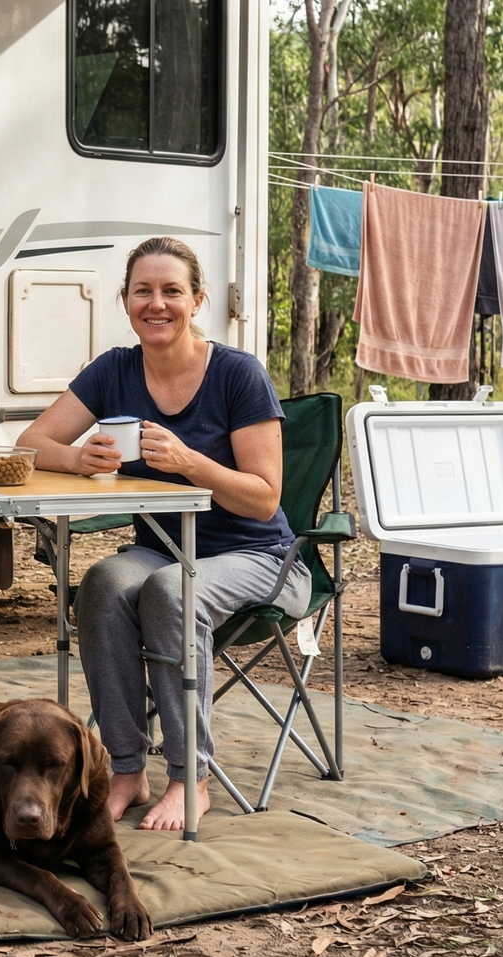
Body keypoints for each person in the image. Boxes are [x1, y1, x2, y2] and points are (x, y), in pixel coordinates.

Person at [18, 237, 310, 831]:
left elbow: (265, 497)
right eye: (143, 291)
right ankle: (126, 768)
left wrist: (189, 462)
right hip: (163, 549)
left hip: (262, 556)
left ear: (197, 300)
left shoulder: (237, 375)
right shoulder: (114, 371)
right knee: (101, 583)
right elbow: (30, 442)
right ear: (126, 301)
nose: (158, 303)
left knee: (173, 590)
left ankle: (190, 778)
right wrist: (80, 460)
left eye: (172, 291)